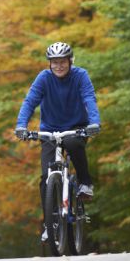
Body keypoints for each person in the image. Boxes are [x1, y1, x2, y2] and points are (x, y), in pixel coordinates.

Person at [14, 42, 101, 241]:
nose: (59, 66)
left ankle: (85, 182)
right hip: (50, 131)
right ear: (49, 64)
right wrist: (21, 126)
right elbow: (30, 101)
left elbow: (89, 98)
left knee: (72, 144)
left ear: (70, 62)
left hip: (76, 128)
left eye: (62, 62)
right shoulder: (44, 78)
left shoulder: (80, 76)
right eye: (54, 62)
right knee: (46, 177)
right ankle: (49, 224)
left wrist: (94, 122)